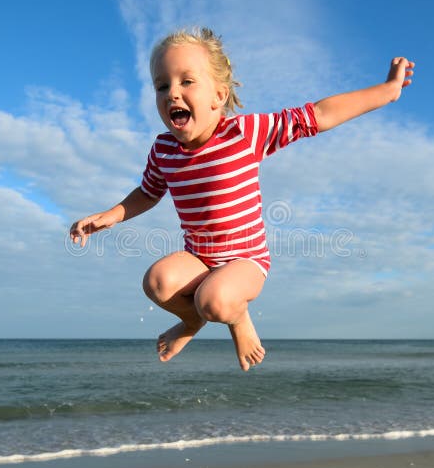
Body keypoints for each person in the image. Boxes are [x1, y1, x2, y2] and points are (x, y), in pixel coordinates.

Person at [69, 27, 414, 371]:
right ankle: (191, 324)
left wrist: (387, 90)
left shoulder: (243, 134)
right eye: (162, 85)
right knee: (158, 282)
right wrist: (111, 215)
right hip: (200, 258)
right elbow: (148, 192)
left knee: (215, 300)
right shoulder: (163, 151)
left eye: (187, 82)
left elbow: (317, 116)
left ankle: (239, 320)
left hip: (246, 261)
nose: (172, 93)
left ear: (218, 96)